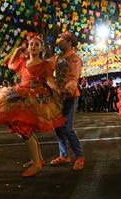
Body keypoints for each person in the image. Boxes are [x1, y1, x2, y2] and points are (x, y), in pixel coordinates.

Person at [0, 36, 65, 177]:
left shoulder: (44, 65)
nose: (33, 46)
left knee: (25, 130)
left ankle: (37, 164)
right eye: (31, 44)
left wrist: (57, 89)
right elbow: (10, 65)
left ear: (41, 48)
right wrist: (17, 50)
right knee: (23, 130)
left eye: (37, 44)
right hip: (20, 94)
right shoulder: (23, 62)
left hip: (35, 98)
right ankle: (38, 159)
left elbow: (49, 79)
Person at [48, 31, 85, 170]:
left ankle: (79, 157)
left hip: (70, 96)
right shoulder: (57, 58)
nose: (58, 39)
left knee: (68, 129)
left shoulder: (74, 58)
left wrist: (69, 86)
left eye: (61, 38)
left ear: (69, 41)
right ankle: (64, 155)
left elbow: (74, 77)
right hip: (58, 97)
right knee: (58, 127)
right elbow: (44, 66)